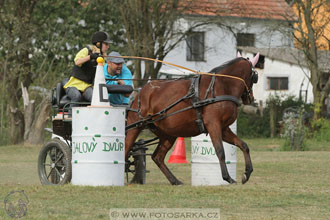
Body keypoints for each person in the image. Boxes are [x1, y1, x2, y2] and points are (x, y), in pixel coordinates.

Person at [63, 31, 110, 114]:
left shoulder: (102, 58)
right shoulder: (86, 50)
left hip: (87, 87)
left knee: (95, 98)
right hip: (73, 85)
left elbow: (103, 72)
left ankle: (91, 117)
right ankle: (71, 118)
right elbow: (77, 62)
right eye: (106, 44)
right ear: (99, 44)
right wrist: (90, 56)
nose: (108, 47)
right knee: (76, 96)